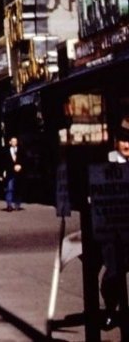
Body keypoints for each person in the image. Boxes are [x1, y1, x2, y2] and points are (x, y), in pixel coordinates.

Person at [99, 124, 129, 331]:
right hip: (113, 227)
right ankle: (111, 310)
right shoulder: (107, 162)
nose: (128, 145)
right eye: (124, 141)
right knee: (113, 272)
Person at [2, 136, 23, 211]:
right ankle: (9, 205)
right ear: (10, 142)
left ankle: (17, 204)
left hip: (19, 173)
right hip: (10, 172)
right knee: (10, 188)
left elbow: (24, 160)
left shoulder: (21, 150)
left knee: (18, 188)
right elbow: (3, 162)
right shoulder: (6, 151)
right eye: (13, 141)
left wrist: (20, 166)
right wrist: (3, 171)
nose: (14, 143)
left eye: (15, 141)